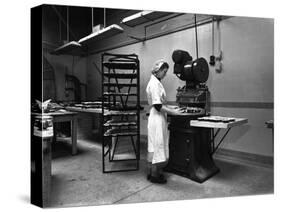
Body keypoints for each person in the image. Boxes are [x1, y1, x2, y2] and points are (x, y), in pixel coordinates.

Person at [146, 59, 185, 184]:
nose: (165, 74)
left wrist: (172, 108)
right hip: (157, 118)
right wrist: (175, 112)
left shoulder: (156, 82)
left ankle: (154, 172)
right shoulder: (154, 84)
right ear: (158, 70)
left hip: (158, 116)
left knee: (155, 146)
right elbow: (158, 106)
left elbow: (161, 104)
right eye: (164, 71)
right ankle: (154, 175)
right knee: (157, 146)